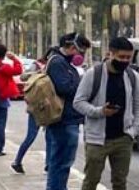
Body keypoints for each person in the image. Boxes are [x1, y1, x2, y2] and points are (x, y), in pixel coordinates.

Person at [73, 37, 139, 190]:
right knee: (91, 181)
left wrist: (134, 131)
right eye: (121, 57)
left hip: (123, 138)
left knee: (120, 182)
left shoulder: (133, 76)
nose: (125, 61)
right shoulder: (94, 74)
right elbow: (78, 102)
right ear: (110, 54)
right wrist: (99, 111)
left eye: (128, 58)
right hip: (97, 140)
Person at [45, 32, 90, 190]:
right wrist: (83, 85)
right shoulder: (58, 63)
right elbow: (64, 88)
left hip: (69, 119)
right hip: (63, 120)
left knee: (62, 161)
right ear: (72, 47)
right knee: (61, 161)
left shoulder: (65, 63)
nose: (81, 56)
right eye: (81, 51)